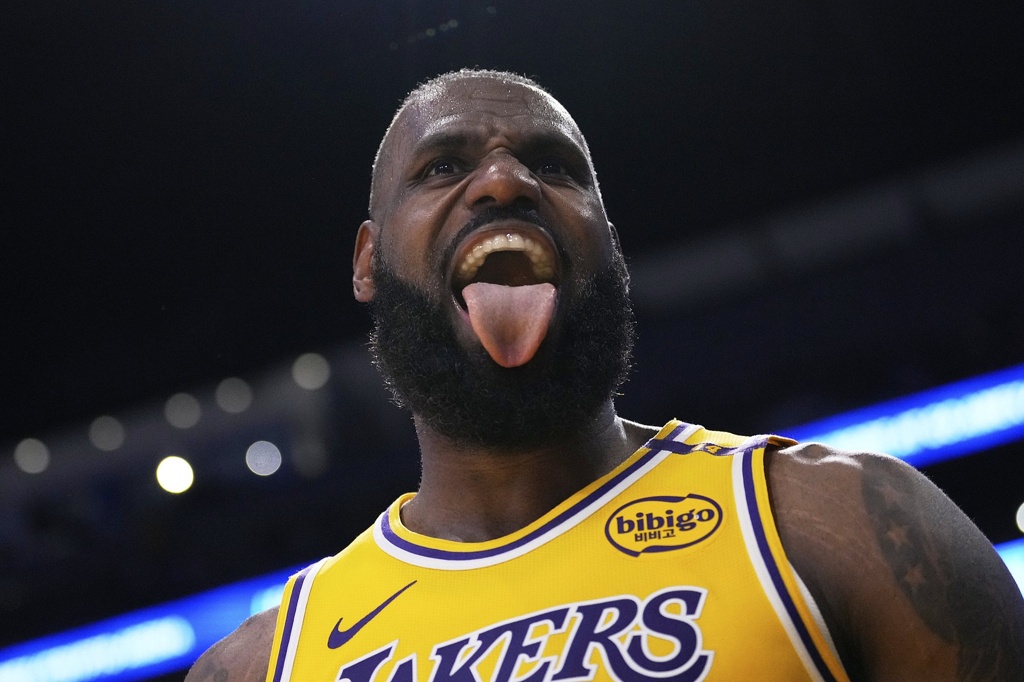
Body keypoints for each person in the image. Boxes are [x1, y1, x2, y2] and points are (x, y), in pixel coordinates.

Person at [185, 69, 1024, 681]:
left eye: (554, 166)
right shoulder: (264, 665)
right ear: (368, 262)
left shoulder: (839, 524)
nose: (505, 180)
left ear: (609, 245)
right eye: (441, 167)